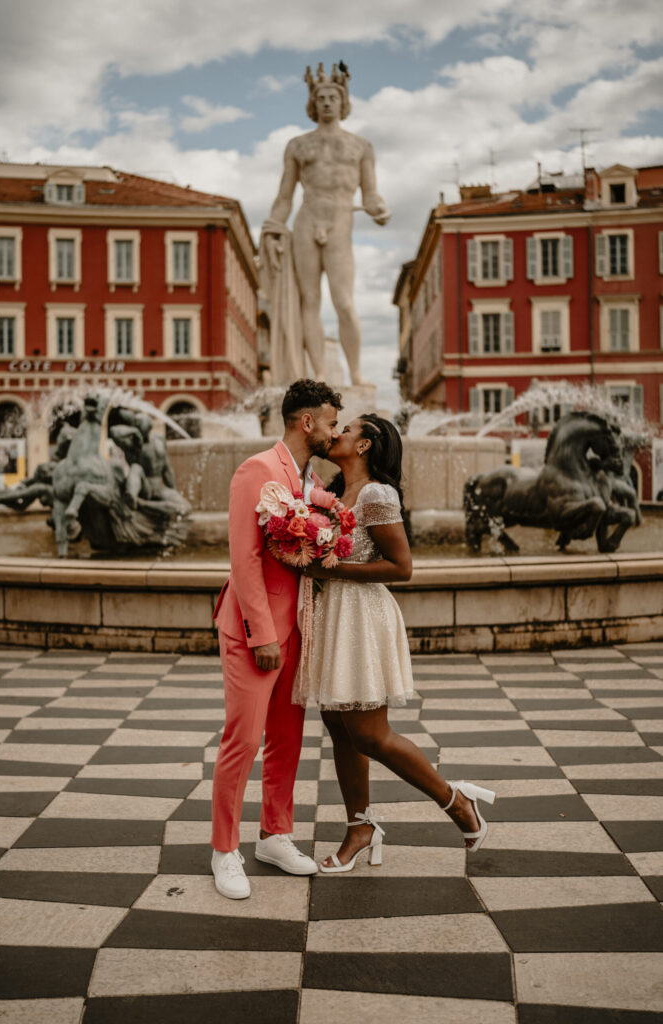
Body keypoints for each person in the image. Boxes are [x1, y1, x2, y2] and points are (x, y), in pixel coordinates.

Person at [295, 413, 495, 871]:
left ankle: (456, 800)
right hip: (332, 615)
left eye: (346, 429)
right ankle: (359, 827)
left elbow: (401, 567)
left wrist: (330, 570)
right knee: (339, 727)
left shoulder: (375, 494)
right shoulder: (331, 492)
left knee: (369, 732)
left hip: (361, 615)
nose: (336, 432)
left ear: (366, 445)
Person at [210, 378, 342, 898]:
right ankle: (224, 849)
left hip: (296, 630)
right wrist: (262, 634)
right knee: (241, 741)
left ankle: (275, 834)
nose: (334, 431)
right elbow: (243, 559)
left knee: (287, 740)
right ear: (306, 422)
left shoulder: (304, 477)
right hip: (254, 633)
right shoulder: (258, 470)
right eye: (330, 422)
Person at [262, 62, 390, 386]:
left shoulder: (361, 146)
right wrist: (273, 227)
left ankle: (356, 373)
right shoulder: (297, 145)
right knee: (310, 300)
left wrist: (379, 209)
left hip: (340, 220)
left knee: (344, 302)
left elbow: (371, 193)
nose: (327, 102)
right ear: (313, 103)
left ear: (343, 102)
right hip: (307, 219)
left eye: (333, 97)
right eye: (321, 98)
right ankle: (318, 373)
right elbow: (284, 196)